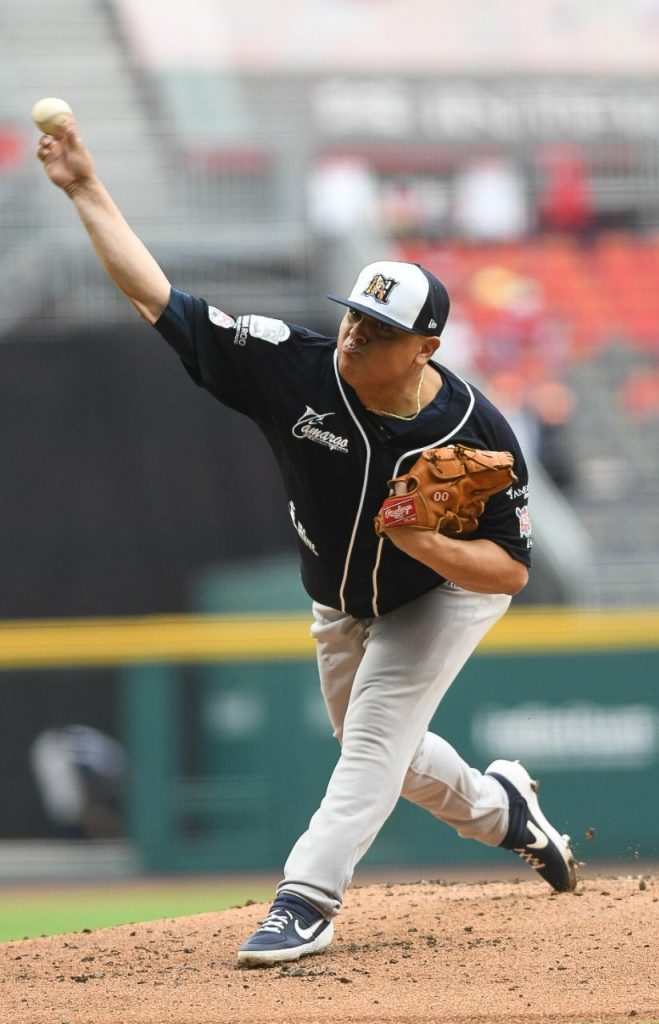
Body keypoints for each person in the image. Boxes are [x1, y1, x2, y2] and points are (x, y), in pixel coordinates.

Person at [37, 119, 577, 967]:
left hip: (438, 594)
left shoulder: (476, 433)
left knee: (374, 737)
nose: (356, 335)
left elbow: (508, 570)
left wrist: (426, 540)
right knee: (386, 751)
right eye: (355, 316)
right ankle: (502, 810)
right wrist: (84, 189)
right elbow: (160, 302)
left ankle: (306, 899)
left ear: (426, 349)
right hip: (340, 601)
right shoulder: (293, 366)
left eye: (380, 330)